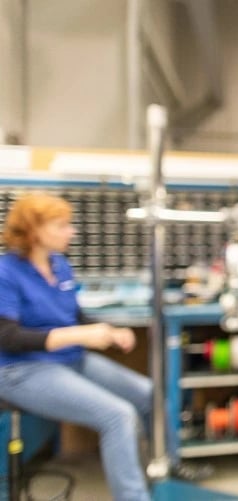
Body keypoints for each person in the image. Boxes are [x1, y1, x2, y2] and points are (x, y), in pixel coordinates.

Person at [0, 193, 152, 501]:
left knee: (149, 395)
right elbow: (8, 337)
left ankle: (155, 476)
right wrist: (78, 335)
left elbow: (73, 315)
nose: (71, 232)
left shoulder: (59, 265)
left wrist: (108, 330)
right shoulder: (6, 272)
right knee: (117, 416)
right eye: (62, 225)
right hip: (23, 368)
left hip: (70, 359)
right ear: (34, 230)